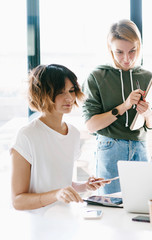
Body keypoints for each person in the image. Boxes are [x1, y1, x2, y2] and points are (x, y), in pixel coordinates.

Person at [10, 64, 108, 211]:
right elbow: (18, 201)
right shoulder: (27, 135)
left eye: (71, 90)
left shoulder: (73, 133)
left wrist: (84, 186)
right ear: (43, 93)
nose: (69, 97)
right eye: (60, 92)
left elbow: (61, 183)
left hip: (66, 220)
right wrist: (56, 195)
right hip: (38, 225)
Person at [82, 19, 152, 194]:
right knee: (112, 204)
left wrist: (147, 113)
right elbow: (91, 125)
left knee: (142, 202)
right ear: (110, 48)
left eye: (132, 51)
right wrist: (125, 106)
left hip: (140, 145)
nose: (127, 58)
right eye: (119, 52)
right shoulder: (97, 76)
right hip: (110, 146)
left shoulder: (148, 76)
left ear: (139, 46)